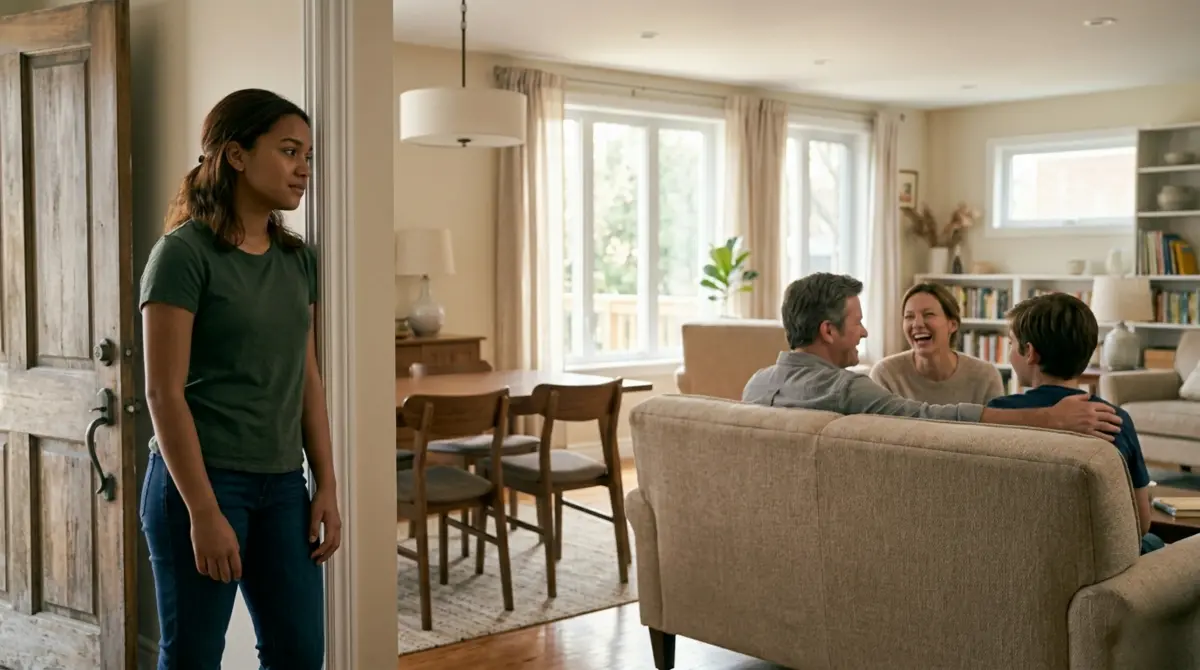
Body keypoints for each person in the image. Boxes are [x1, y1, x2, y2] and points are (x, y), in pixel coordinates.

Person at [139, 88, 338, 669]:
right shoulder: (182, 255)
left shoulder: (298, 260)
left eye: (308, 155)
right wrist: (203, 511)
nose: (304, 168)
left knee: (299, 654)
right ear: (236, 155)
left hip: (283, 487)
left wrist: (326, 483)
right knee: (194, 657)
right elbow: (162, 393)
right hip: (200, 484)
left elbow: (307, 377)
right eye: (289, 151)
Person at [742, 272, 1122, 440]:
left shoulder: (755, 387)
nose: (866, 332)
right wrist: (1048, 418)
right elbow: (928, 418)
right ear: (828, 331)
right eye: (857, 322)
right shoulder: (848, 391)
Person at [986, 293, 1161, 553]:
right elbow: (1141, 523)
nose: (1011, 352)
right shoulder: (1115, 419)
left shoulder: (998, 413)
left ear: (1030, 353)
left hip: (1018, 547)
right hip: (1095, 554)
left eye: (1011, 343)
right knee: (1154, 542)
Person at [870, 283, 1005, 405]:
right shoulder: (885, 374)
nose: (917, 324)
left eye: (928, 314)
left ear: (952, 325)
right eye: (909, 316)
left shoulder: (986, 377)